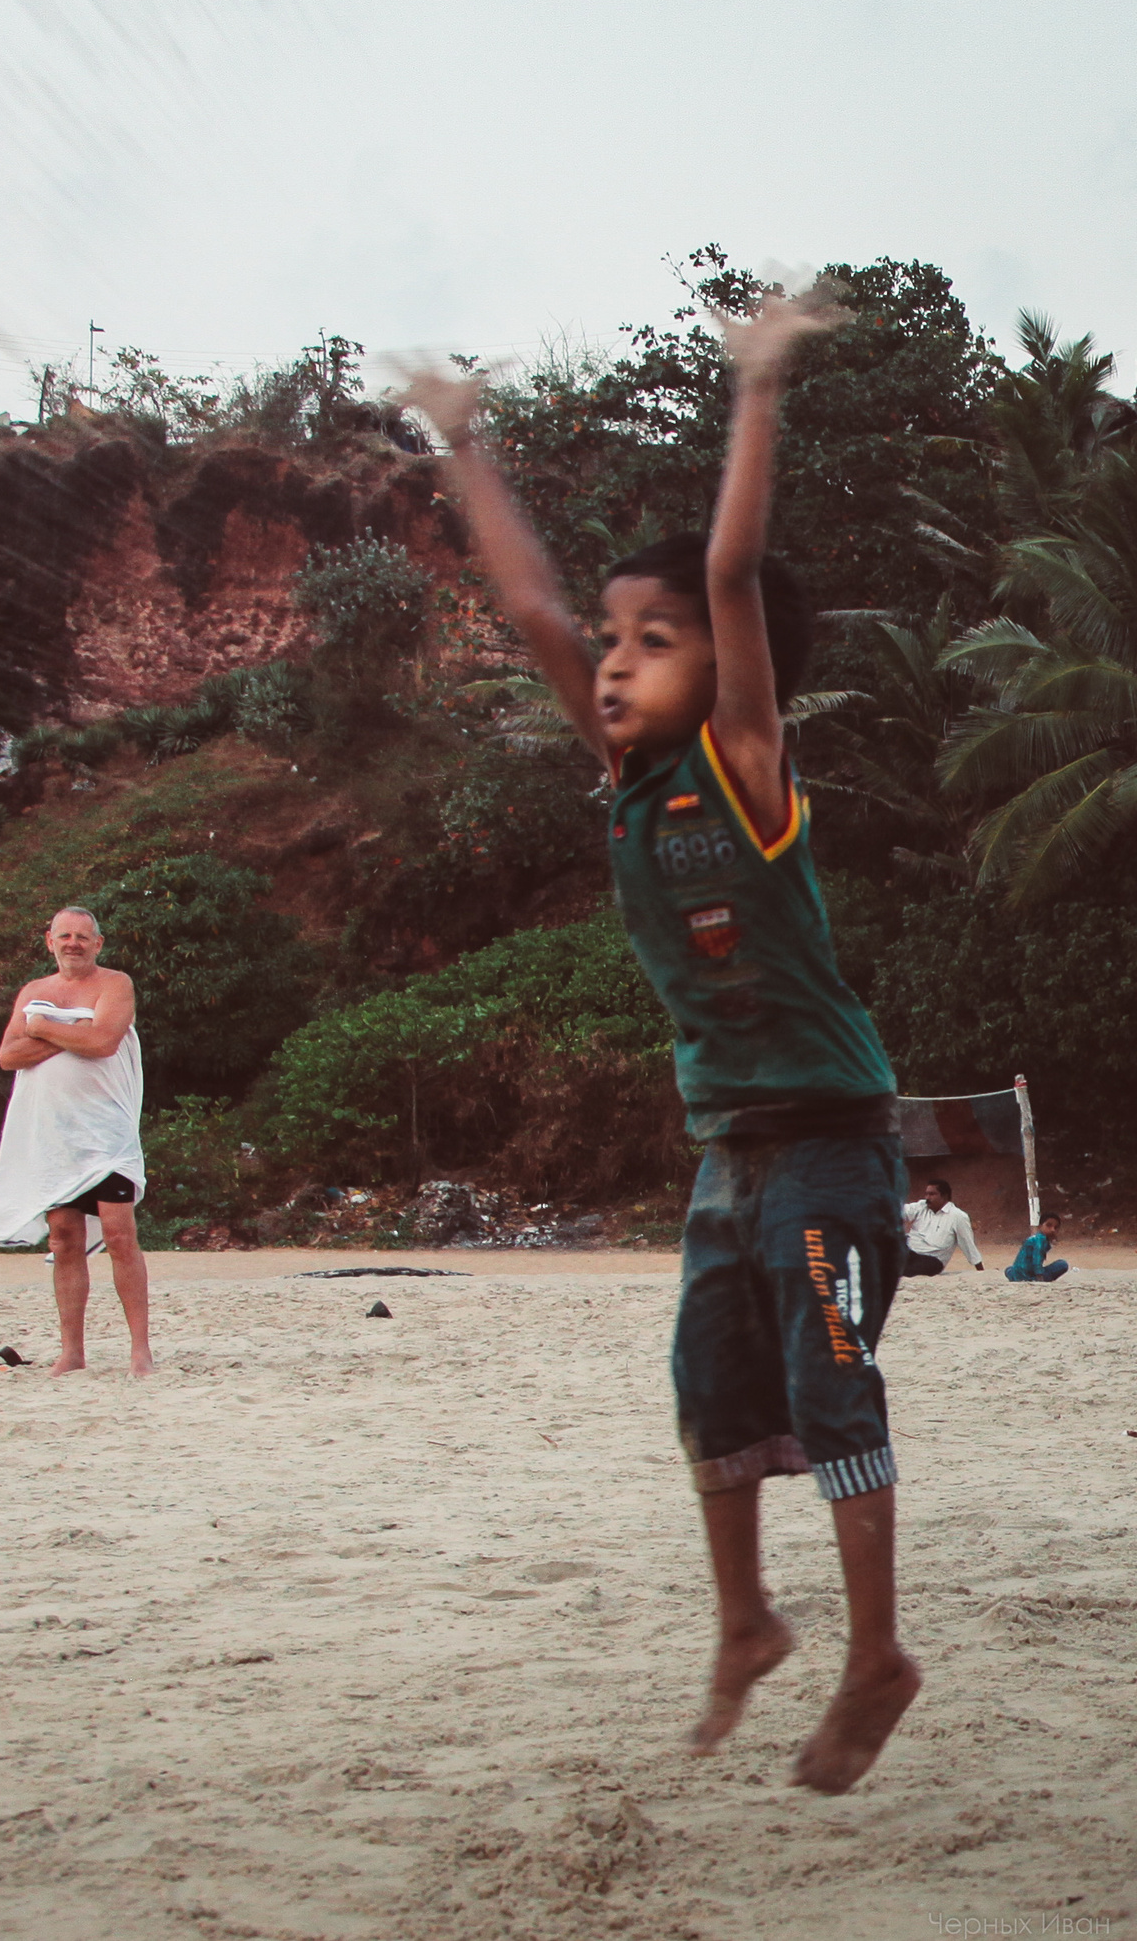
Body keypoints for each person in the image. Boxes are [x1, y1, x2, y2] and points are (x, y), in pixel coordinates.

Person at [405, 287, 918, 1796]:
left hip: (830, 1141)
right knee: (709, 1383)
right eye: (613, 644)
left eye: (655, 641)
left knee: (831, 1389)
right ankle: (748, 1619)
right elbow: (531, 613)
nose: (617, 664)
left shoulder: (744, 765)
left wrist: (756, 383)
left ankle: (877, 1653)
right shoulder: (627, 782)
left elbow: (735, 569)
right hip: (729, 1150)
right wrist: (462, 441)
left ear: (725, 671)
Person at [0, 906, 153, 1377]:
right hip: (53, 1138)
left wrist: (42, 1027)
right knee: (64, 1240)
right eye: (65, 936)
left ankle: (140, 1350)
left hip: (106, 1135)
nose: (73, 943)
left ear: (98, 943)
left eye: (83, 936)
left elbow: (103, 1042)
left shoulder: (115, 984)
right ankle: (72, 1352)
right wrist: (70, 1032)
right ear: (50, 941)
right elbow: (9, 1056)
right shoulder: (33, 992)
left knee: (120, 1236)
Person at [901, 1179, 983, 1277]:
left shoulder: (958, 1216)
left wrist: (981, 1271)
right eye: (926, 1194)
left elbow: (968, 1244)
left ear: (944, 1196)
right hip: (909, 1253)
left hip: (932, 1259)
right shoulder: (922, 1206)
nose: (927, 1198)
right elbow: (899, 1211)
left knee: (901, 1270)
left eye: (932, 1194)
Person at [1005, 1211, 1069, 1283]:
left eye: (1056, 1227)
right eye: (1048, 1225)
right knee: (1062, 1264)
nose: (1052, 1230)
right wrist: (1039, 1277)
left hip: (1017, 1275)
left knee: (1009, 1269)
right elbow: (1037, 1258)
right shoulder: (1041, 1239)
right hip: (1030, 1276)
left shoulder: (1034, 1238)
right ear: (1040, 1226)